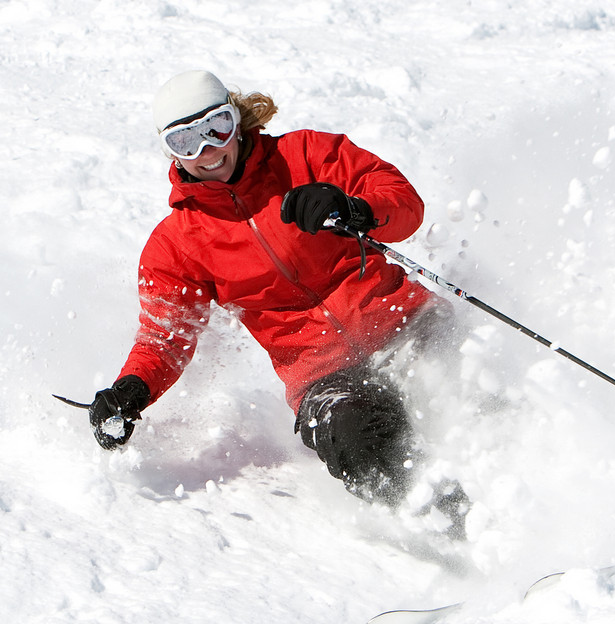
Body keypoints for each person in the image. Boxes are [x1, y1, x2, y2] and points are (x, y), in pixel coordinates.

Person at [86, 70, 469, 537]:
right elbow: (165, 338)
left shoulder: (306, 156)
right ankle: (462, 530)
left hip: (404, 321)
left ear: (237, 119)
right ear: (169, 150)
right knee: (358, 441)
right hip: (325, 374)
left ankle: (534, 482)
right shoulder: (177, 244)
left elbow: (404, 201)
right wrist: (131, 390)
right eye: (186, 140)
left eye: (216, 128)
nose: (208, 152)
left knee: (476, 387)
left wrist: (354, 208)